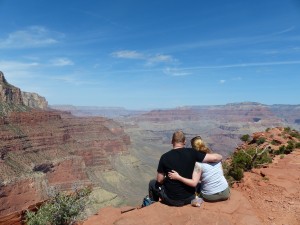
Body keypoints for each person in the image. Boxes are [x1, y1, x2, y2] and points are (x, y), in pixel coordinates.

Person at [148, 130, 223, 206]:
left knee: (152, 183)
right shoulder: (192, 152)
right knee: (199, 184)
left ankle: (152, 205)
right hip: (190, 197)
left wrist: (167, 178)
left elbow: (159, 180)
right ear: (184, 142)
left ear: (172, 141)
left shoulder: (164, 157)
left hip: (171, 200)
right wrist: (220, 156)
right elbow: (215, 158)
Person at [168, 136, 230, 202]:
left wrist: (178, 177)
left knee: (196, 186)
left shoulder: (198, 164)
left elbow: (194, 183)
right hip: (225, 192)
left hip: (210, 196)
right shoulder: (216, 158)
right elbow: (221, 174)